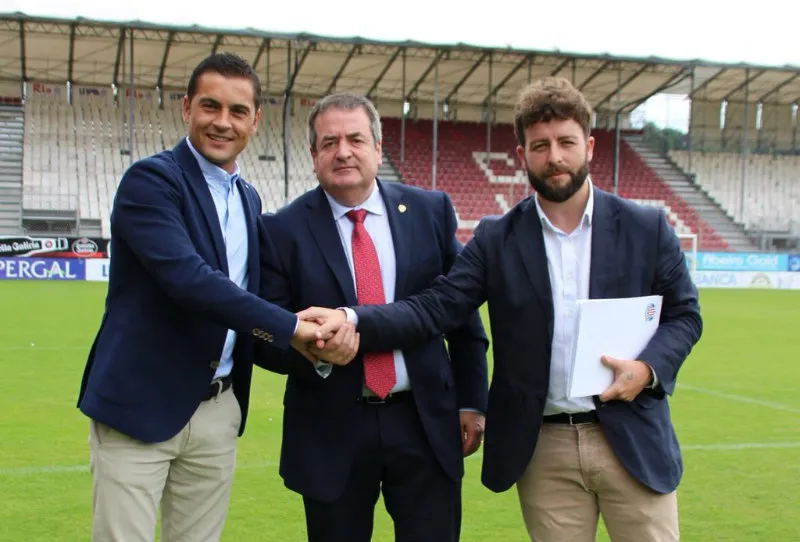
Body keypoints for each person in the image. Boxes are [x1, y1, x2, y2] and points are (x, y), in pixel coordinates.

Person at [299, 77, 703, 542]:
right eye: (540, 145)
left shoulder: (645, 226)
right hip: (544, 447)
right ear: (521, 155)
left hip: (631, 437)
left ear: (589, 146)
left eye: (566, 142)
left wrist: (649, 369)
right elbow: (437, 308)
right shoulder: (497, 238)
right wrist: (353, 318)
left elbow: (685, 316)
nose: (554, 157)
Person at [76, 52, 324, 542]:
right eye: (210, 107)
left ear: (256, 120)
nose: (222, 123)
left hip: (218, 409)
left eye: (237, 112)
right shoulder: (151, 181)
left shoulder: (248, 197)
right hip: (139, 403)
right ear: (186, 108)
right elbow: (190, 280)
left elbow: (252, 291)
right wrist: (294, 328)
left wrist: (326, 330)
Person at [256, 92, 490, 542]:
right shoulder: (281, 230)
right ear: (313, 155)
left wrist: (472, 402)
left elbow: (461, 317)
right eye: (329, 142)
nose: (343, 151)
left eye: (355, 139)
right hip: (331, 428)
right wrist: (316, 352)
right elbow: (265, 335)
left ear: (379, 149)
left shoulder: (431, 211)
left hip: (424, 420)